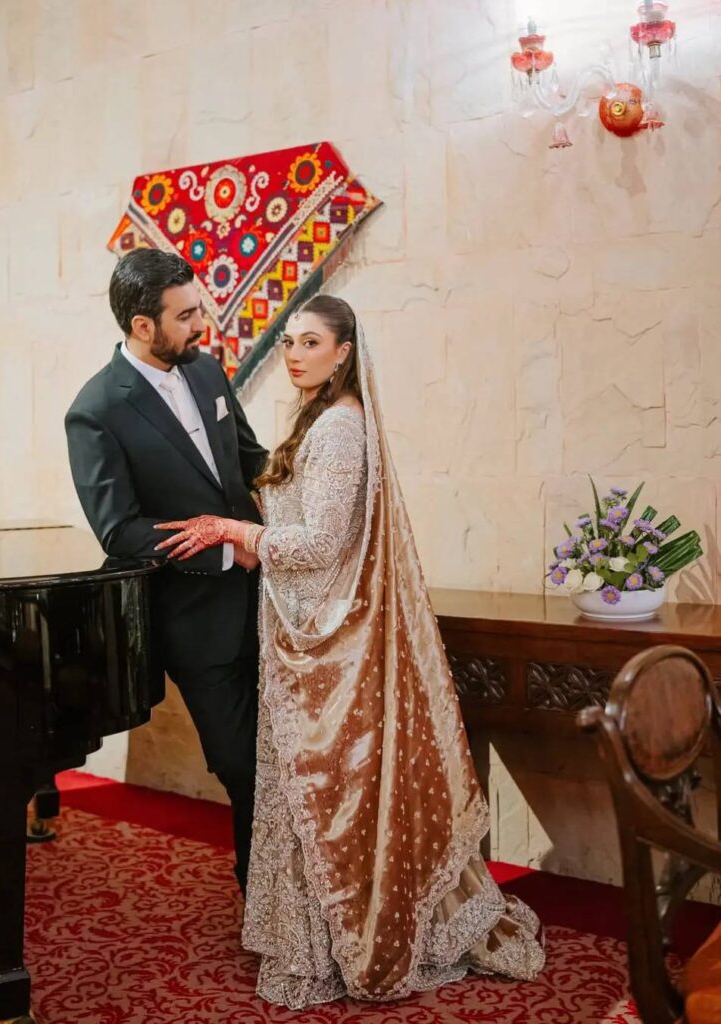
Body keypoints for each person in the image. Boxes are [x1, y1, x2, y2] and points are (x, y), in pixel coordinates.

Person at [154, 293, 545, 1007]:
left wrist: (232, 530)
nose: (294, 354)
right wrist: (242, 535)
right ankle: (327, 940)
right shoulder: (317, 417)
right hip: (308, 635)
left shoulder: (338, 426)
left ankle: (357, 940)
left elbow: (322, 543)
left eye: (311, 342)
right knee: (323, 797)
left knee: (331, 797)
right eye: (290, 342)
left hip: (330, 647)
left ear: (343, 353)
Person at [65, 249, 267, 895]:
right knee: (243, 764)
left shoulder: (205, 370)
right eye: (185, 316)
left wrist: (318, 488)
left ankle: (296, 900)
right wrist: (226, 549)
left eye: (198, 309)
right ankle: (262, 901)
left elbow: (251, 461)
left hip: (270, 599)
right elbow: (120, 530)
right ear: (142, 325)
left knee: (287, 757)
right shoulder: (96, 410)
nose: (201, 324)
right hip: (195, 621)